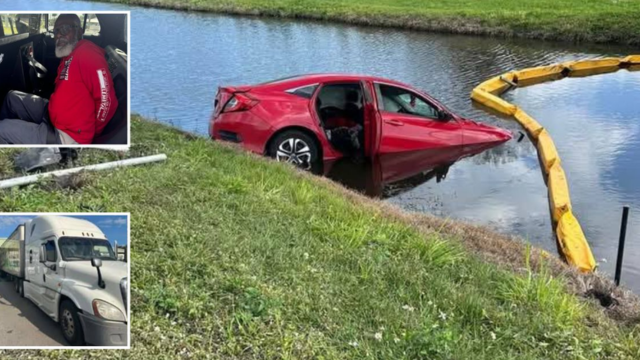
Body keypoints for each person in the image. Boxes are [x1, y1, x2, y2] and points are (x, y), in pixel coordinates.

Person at [0, 14, 117, 144]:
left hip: (66, 135)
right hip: (53, 115)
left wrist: (92, 134)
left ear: (79, 31)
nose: (59, 35)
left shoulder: (88, 54)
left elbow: (107, 101)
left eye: (65, 29)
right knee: (12, 97)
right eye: (56, 30)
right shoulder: (70, 53)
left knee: (3, 129)